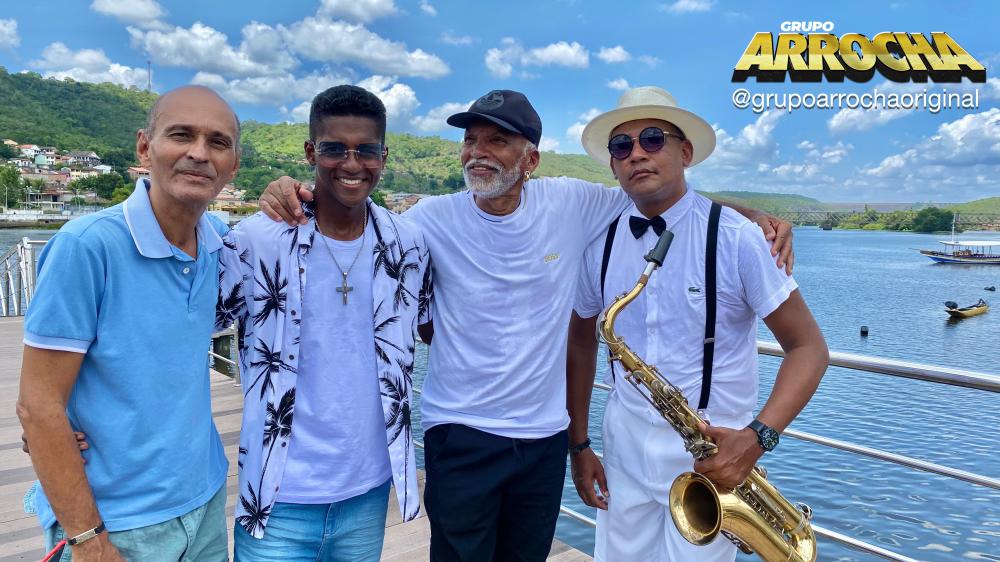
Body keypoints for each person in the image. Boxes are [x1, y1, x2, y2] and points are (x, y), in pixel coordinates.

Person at [257, 89, 795, 561]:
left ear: (531, 158)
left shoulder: (573, 202)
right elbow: (351, 220)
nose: (478, 153)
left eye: (497, 141)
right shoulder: (427, 220)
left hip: (541, 440)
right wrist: (292, 193)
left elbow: (665, 198)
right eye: (471, 141)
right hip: (459, 432)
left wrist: (753, 216)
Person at [567, 86, 829, 562]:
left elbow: (808, 348)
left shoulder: (740, 239)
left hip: (711, 456)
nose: (636, 154)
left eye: (652, 139)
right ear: (612, 164)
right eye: (621, 146)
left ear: (685, 152)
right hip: (622, 449)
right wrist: (580, 445)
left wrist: (757, 438)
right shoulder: (599, 242)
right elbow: (581, 344)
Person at [16, 85, 238, 561]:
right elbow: (37, 406)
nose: (199, 154)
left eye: (218, 142)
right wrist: (88, 542)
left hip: (203, 499)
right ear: (145, 147)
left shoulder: (219, 242)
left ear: (232, 164)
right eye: (182, 135)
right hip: (117, 522)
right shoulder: (87, 247)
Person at [216, 85, 426, 561]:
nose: (352, 164)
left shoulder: (407, 245)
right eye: (334, 149)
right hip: (277, 496)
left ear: (384, 156)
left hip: (367, 492)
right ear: (311, 151)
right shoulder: (257, 240)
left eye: (366, 150)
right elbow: (184, 327)